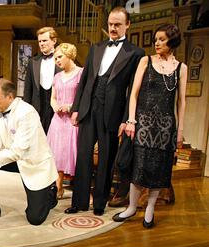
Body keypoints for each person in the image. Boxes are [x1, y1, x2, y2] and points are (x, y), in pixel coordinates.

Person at [65, 7, 145, 216]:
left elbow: (132, 91)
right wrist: (76, 109)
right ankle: (79, 202)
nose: (113, 28)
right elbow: (84, 81)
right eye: (110, 24)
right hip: (88, 108)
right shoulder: (96, 47)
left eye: (118, 24)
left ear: (127, 25)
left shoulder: (136, 53)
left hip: (113, 112)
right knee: (82, 156)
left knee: (107, 160)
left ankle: (100, 203)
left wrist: (128, 119)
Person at [112, 24, 187, 228]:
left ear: (172, 41)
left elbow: (181, 102)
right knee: (139, 167)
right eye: (156, 39)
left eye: (162, 39)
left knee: (159, 170)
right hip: (143, 123)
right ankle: (132, 208)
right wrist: (131, 120)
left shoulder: (182, 68)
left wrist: (180, 130)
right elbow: (133, 94)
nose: (157, 43)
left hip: (165, 127)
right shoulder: (146, 60)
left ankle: (150, 208)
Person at [0, 78, 58, 226]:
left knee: (35, 219)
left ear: (10, 96)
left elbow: (18, 152)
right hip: (15, 158)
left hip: (33, 164)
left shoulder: (27, 113)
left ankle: (50, 191)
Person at [46, 43, 83, 199]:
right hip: (58, 120)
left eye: (59, 57)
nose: (57, 61)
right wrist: (55, 106)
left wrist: (70, 107)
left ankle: (79, 189)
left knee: (71, 153)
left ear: (69, 54)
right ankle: (58, 185)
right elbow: (53, 98)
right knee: (56, 154)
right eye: (55, 58)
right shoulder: (57, 77)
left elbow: (84, 97)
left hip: (73, 119)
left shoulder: (82, 73)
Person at [23, 27, 61, 133]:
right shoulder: (33, 62)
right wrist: (26, 111)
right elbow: (28, 89)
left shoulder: (63, 60)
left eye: (44, 40)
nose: (41, 43)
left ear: (54, 41)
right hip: (38, 106)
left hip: (56, 106)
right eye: (39, 41)